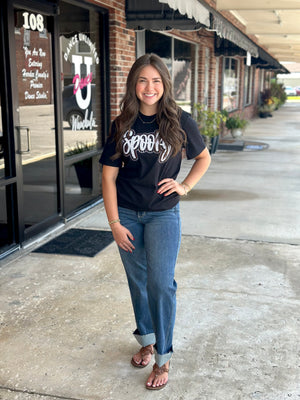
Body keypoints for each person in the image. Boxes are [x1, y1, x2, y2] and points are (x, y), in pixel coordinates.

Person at [100, 53, 211, 390]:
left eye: (156, 81)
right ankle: (146, 339)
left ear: (165, 84)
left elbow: (203, 157)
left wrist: (185, 185)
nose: (150, 87)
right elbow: (107, 179)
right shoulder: (121, 124)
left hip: (164, 214)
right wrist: (115, 223)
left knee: (161, 284)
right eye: (143, 80)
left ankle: (163, 358)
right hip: (129, 216)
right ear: (135, 84)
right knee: (138, 281)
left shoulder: (180, 121)